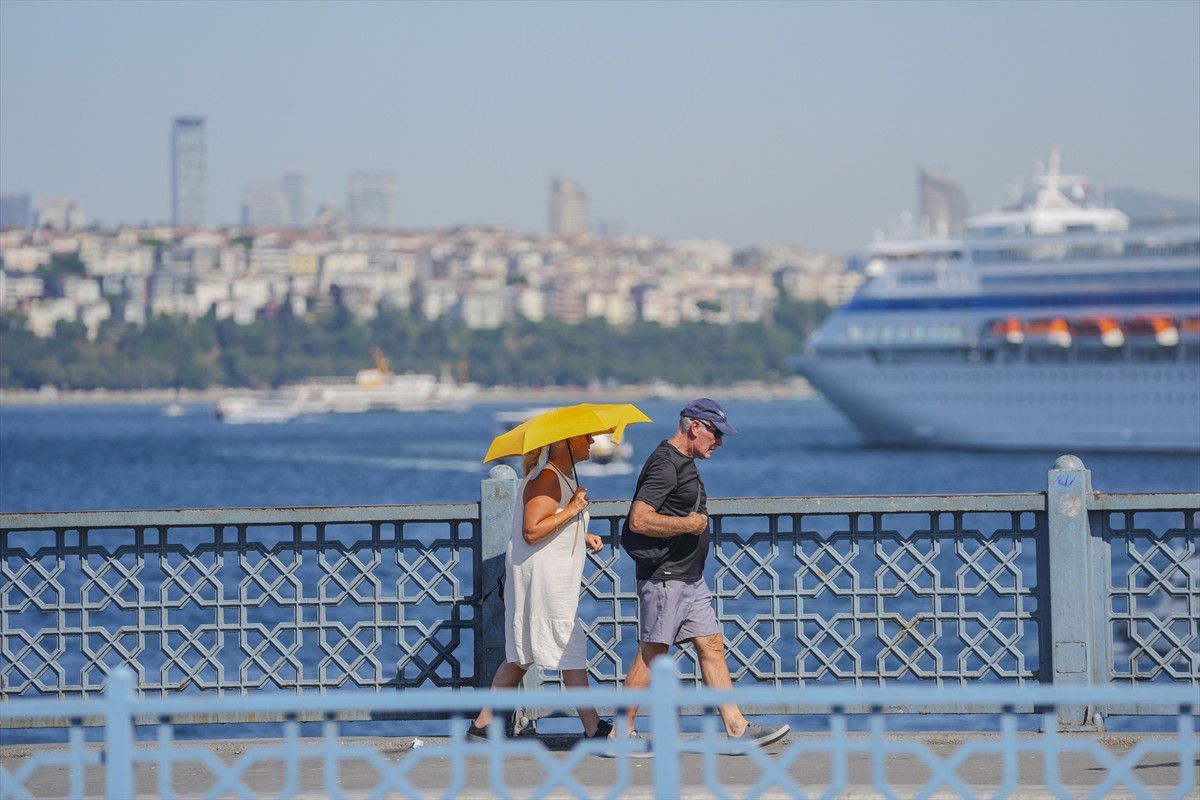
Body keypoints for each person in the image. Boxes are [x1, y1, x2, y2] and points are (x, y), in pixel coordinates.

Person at [619, 398, 789, 747]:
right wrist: (688, 524)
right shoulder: (665, 464)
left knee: (711, 645)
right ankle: (621, 730)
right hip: (665, 576)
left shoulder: (683, 462)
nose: (720, 442)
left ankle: (736, 727)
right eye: (716, 434)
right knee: (653, 652)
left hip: (689, 576)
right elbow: (638, 519)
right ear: (695, 427)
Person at [469, 432, 614, 740]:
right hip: (544, 579)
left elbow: (551, 521)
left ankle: (481, 725)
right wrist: (574, 510)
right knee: (568, 644)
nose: (591, 442)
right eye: (585, 437)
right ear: (565, 442)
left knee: (522, 653)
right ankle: (593, 727)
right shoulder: (547, 478)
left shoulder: (560, 477)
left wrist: (582, 533)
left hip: (547, 575)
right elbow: (532, 531)